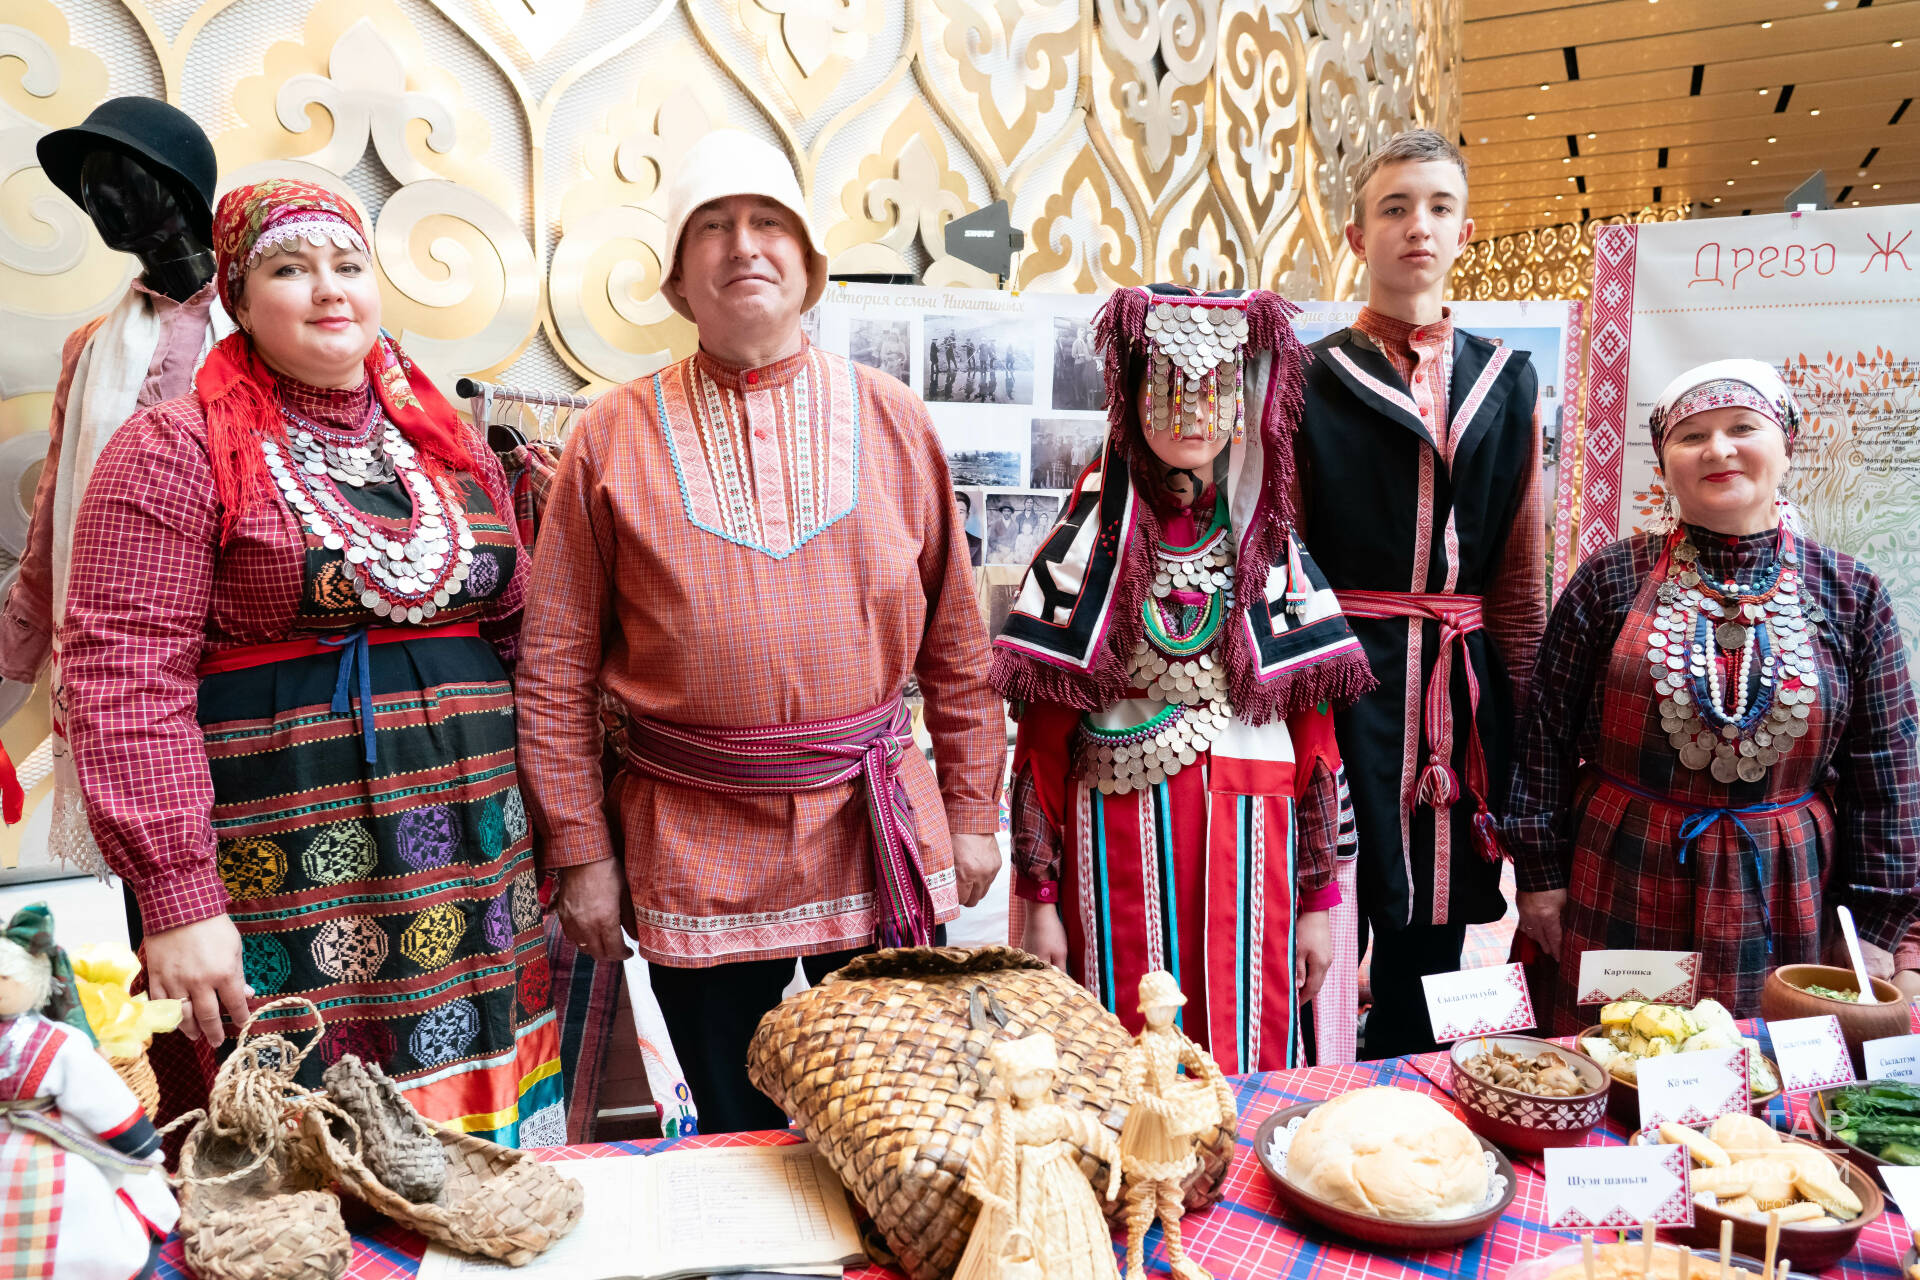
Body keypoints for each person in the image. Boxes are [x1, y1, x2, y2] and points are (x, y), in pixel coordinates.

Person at [515, 130, 1004, 1134]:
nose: (745, 246)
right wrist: (583, 853)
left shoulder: (896, 418)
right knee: (734, 1123)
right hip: (692, 837)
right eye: (714, 228)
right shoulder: (608, 437)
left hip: (872, 830)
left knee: (889, 1116)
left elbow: (959, 645)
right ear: (677, 279)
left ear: (809, 264)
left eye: (769, 223)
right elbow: (554, 667)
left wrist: (970, 811)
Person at [59, 179, 561, 1144]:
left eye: (349, 266)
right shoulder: (173, 449)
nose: (330, 290)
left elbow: (525, 640)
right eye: (291, 270)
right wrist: (178, 898)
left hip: (482, 864)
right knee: (306, 1153)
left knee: (490, 1162)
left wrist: (570, 829)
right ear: (240, 301)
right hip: (282, 872)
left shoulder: (451, 448)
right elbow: (122, 682)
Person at [994, 283, 1375, 1072]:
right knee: (1122, 1065)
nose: (1190, 413)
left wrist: (1319, 901)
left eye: (1214, 388)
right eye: (1168, 386)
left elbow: (1315, 745)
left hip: (1255, 850)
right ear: (1129, 393)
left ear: (1243, 397)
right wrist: (1039, 902)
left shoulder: (1268, 548)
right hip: (1114, 849)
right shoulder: (1088, 547)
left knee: (1247, 1057)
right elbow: (1041, 745)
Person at [1507, 360, 1920, 1030]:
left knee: (1759, 1065)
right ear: (1665, 465)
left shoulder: (1850, 593)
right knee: (1616, 1052)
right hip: (1623, 867)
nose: (1719, 449)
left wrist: (1876, 923)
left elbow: (1887, 769)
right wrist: (1540, 878)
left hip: (1784, 885)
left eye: (1742, 428)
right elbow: (1543, 739)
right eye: (1692, 436)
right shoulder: (1610, 577)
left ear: (1787, 446)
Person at [1293, 129, 1546, 1060]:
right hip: (1339, 678)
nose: (1418, 227)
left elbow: (1518, 580)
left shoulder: (1507, 380)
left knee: (1438, 926)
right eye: (1395, 208)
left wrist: (1526, 735)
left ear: (1465, 232)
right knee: (1321, 912)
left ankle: (1417, 1096)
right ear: (1357, 237)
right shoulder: (1307, 377)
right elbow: (1283, 556)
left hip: (1458, 691)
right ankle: (1314, 1096)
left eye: (1439, 208)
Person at [2, 98, 231, 885]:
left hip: (250, 660)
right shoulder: (92, 347)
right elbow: (52, 525)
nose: (97, 199)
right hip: (127, 671)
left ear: (181, 188)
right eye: (87, 186)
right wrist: (14, 664)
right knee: (156, 891)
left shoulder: (270, 323)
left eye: (119, 176)